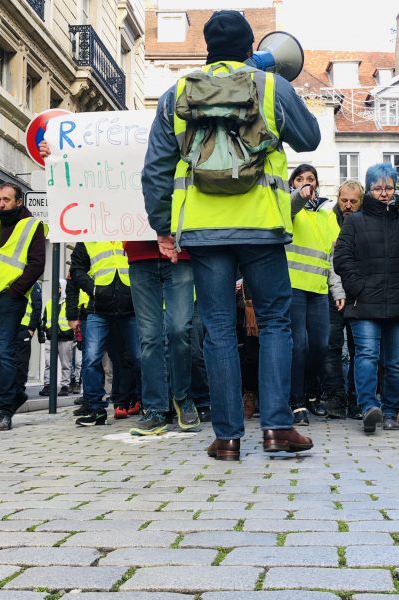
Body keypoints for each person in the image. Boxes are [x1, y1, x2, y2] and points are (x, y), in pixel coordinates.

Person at [142, 9, 321, 460]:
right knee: (276, 322)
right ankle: (278, 427)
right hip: (261, 225)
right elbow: (310, 138)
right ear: (249, 48)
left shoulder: (176, 93)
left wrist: (163, 226)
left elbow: (155, 171)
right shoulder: (269, 86)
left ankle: (226, 437)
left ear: (207, 47)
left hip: (204, 231)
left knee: (218, 328)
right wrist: (271, 77)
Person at [333, 163, 399, 434]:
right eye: (378, 187)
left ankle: (391, 410)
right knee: (366, 355)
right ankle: (369, 408)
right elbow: (342, 258)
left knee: (395, 360)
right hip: (364, 301)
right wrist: (357, 288)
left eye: (389, 187)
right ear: (369, 189)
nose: (384, 192)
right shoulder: (355, 220)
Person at [0, 182, 47, 431]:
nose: (1, 204)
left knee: (3, 350)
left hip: (10, 298)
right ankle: (14, 391)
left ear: (18, 201)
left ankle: (3, 410)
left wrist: (15, 291)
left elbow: (36, 264)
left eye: (6, 200)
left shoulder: (32, 226)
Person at [125, 236, 200, 435]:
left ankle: (182, 396)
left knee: (179, 329)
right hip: (140, 253)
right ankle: (155, 408)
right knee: (150, 338)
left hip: (179, 252)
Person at [286, 164, 342, 425]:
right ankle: (296, 401)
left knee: (320, 346)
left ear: (318, 184)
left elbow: (332, 257)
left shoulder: (326, 213)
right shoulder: (288, 205)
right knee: (299, 346)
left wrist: (337, 289)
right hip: (293, 287)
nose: (306, 182)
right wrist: (299, 195)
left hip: (319, 290)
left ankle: (311, 395)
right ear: (293, 183)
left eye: (310, 179)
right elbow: (290, 209)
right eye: (300, 178)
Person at [67, 241, 140, 428]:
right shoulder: (91, 234)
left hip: (130, 307)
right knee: (91, 358)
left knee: (140, 357)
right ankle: (95, 408)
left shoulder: (130, 229)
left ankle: (148, 404)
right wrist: (93, 289)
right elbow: (76, 268)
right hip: (98, 309)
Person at [321, 180, 363, 420]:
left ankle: (357, 400)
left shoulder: (366, 222)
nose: (347, 205)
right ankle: (335, 399)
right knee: (332, 347)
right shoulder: (328, 220)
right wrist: (338, 292)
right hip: (332, 293)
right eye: (344, 200)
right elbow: (330, 258)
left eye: (353, 201)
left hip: (360, 295)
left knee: (360, 349)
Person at [39, 280, 74, 397]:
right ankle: (47, 385)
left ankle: (65, 386)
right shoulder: (49, 303)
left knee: (66, 364)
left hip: (65, 338)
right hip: (51, 337)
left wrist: (68, 332)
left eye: (58, 287)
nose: (56, 289)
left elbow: (73, 319)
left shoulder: (69, 303)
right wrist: (47, 329)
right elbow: (44, 320)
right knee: (49, 363)